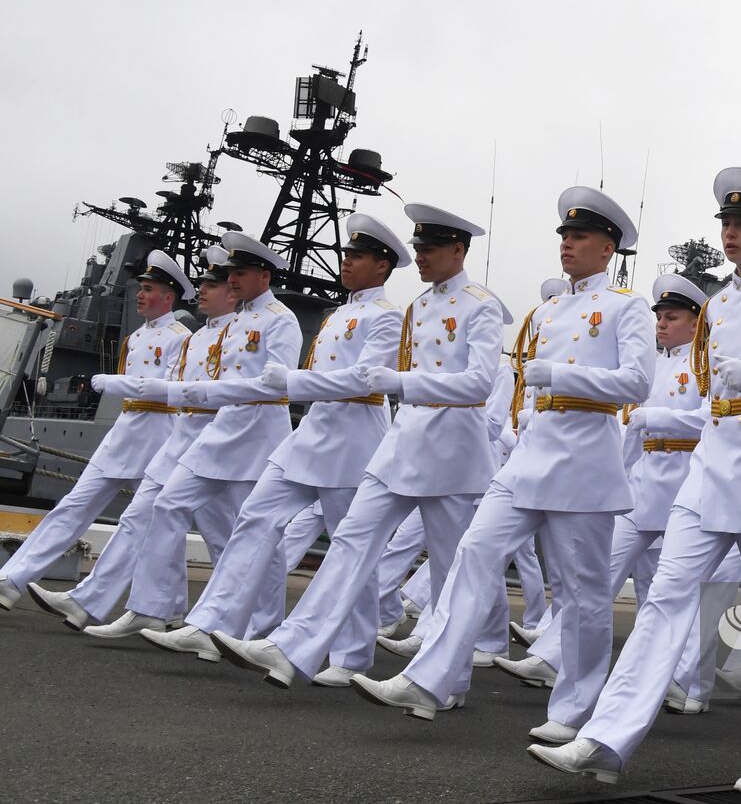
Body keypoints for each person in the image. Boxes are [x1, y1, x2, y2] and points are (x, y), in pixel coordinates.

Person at [529, 166, 741, 797]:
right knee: (664, 601)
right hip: (710, 470)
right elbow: (711, 401)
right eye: (726, 223)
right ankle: (606, 739)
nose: (731, 233)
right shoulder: (720, 305)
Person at [347, 185, 652, 734]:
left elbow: (636, 382)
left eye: (580, 236)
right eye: (565, 235)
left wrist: (562, 376)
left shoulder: (625, 307)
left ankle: (574, 711)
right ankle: (431, 678)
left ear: (608, 248)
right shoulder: (549, 310)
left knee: (583, 592)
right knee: (473, 554)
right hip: (530, 457)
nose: (568, 244)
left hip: (583, 460)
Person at [203, 203, 504, 688]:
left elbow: (479, 383)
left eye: (429, 248)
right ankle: (292, 648)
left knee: (451, 569)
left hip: (453, 450)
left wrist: (401, 382)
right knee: (350, 542)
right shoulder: (418, 307)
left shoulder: (480, 305)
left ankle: (447, 680)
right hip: (403, 442)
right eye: (419, 247)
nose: (421, 256)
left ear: (457, 250)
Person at [143, 212, 406, 685]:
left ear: (382, 266)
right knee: (255, 518)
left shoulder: (387, 316)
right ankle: (210, 624)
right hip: (311, 434)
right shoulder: (338, 314)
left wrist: (294, 381)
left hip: (352, 439)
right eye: (346, 254)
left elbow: (364, 379)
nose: (346, 261)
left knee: (350, 549)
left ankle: (352, 655)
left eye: (357, 256)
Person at [495, 272, 709, 706]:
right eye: (660, 317)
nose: (661, 324)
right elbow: (629, 430)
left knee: (675, 589)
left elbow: (714, 419)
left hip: (688, 483)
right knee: (601, 572)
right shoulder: (654, 363)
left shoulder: (705, 365)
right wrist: (621, 471)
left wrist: (660, 419)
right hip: (643, 483)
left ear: (695, 323)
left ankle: (688, 682)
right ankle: (552, 657)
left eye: (671, 318)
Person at [0, 251, 194, 616]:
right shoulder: (135, 337)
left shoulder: (182, 338)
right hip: (124, 433)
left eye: (148, 289)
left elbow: (174, 389)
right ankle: (12, 580)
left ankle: (170, 610)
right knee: (73, 507)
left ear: (168, 297)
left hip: (159, 437)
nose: (140, 295)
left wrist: (115, 382)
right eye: (140, 288)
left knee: (159, 525)